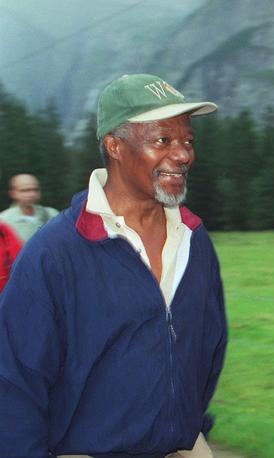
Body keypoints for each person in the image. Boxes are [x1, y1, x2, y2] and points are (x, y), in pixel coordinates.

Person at [0, 73, 227, 457]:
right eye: (163, 140)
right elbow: (15, 385)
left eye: (188, 141)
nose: (184, 154)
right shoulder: (56, 252)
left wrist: (187, 422)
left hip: (182, 445)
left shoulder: (194, 239)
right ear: (115, 146)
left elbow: (209, 350)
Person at [0, 173, 59, 243]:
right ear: (13, 193)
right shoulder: (4, 221)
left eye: (35, 190)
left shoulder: (52, 214)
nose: (32, 194)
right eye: (25, 190)